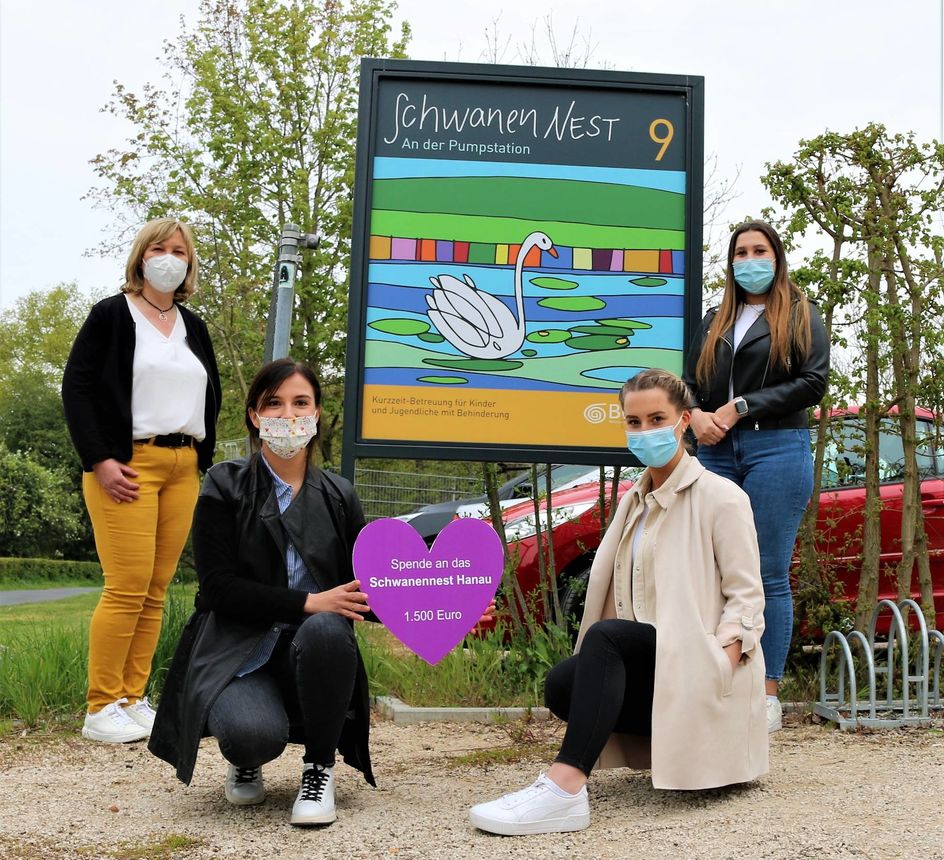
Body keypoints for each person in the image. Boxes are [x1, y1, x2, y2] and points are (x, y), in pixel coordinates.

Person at [469, 369, 768, 836]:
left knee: (605, 640)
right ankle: (658, 746)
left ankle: (565, 786)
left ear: (684, 421)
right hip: (662, 663)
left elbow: (747, 595)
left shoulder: (720, 497)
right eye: (633, 421)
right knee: (562, 683)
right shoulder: (635, 502)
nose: (644, 431)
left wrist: (722, 661)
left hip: (701, 664)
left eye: (656, 418)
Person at [148, 358, 374, 827]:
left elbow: (367, 591)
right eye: (274, 403)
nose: (288, 415)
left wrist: (439, 613)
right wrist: (309, 601)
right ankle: (246, 756)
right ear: (254, 415)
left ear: (316, 413)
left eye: (300, 402)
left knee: (330, 629)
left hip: (314, 651)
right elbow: (216, 588)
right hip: (240, 649)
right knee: (251, 735)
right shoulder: (223, 484)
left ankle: (319, 770)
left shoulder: (339, 495)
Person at [62, 218, 221, 744]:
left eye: (180, 250)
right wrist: (100, 459)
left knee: (155, 591)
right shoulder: (111, 314)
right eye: (160, 248)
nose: (170, 257)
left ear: (189, 262)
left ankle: (132, 698)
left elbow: (211, 393)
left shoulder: (193, 325)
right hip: (127, 464)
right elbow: (77, 388)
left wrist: (201, 460)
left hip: (183, 466)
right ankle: (99, 705)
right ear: (141, 256)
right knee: (126, 587)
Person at [682, 220, 829, 733]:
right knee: (711, 573)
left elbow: (813, 382)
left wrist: (741, 406)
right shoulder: (714, 320)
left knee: (766, 574)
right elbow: (688, 382)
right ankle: (714, 681)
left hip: (777, 449)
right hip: (715, 452)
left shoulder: (802, 314)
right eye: (741, 252)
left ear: (777, 256)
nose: (750, 260)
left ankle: (767, 693)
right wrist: (696, 416)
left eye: (759, 250)